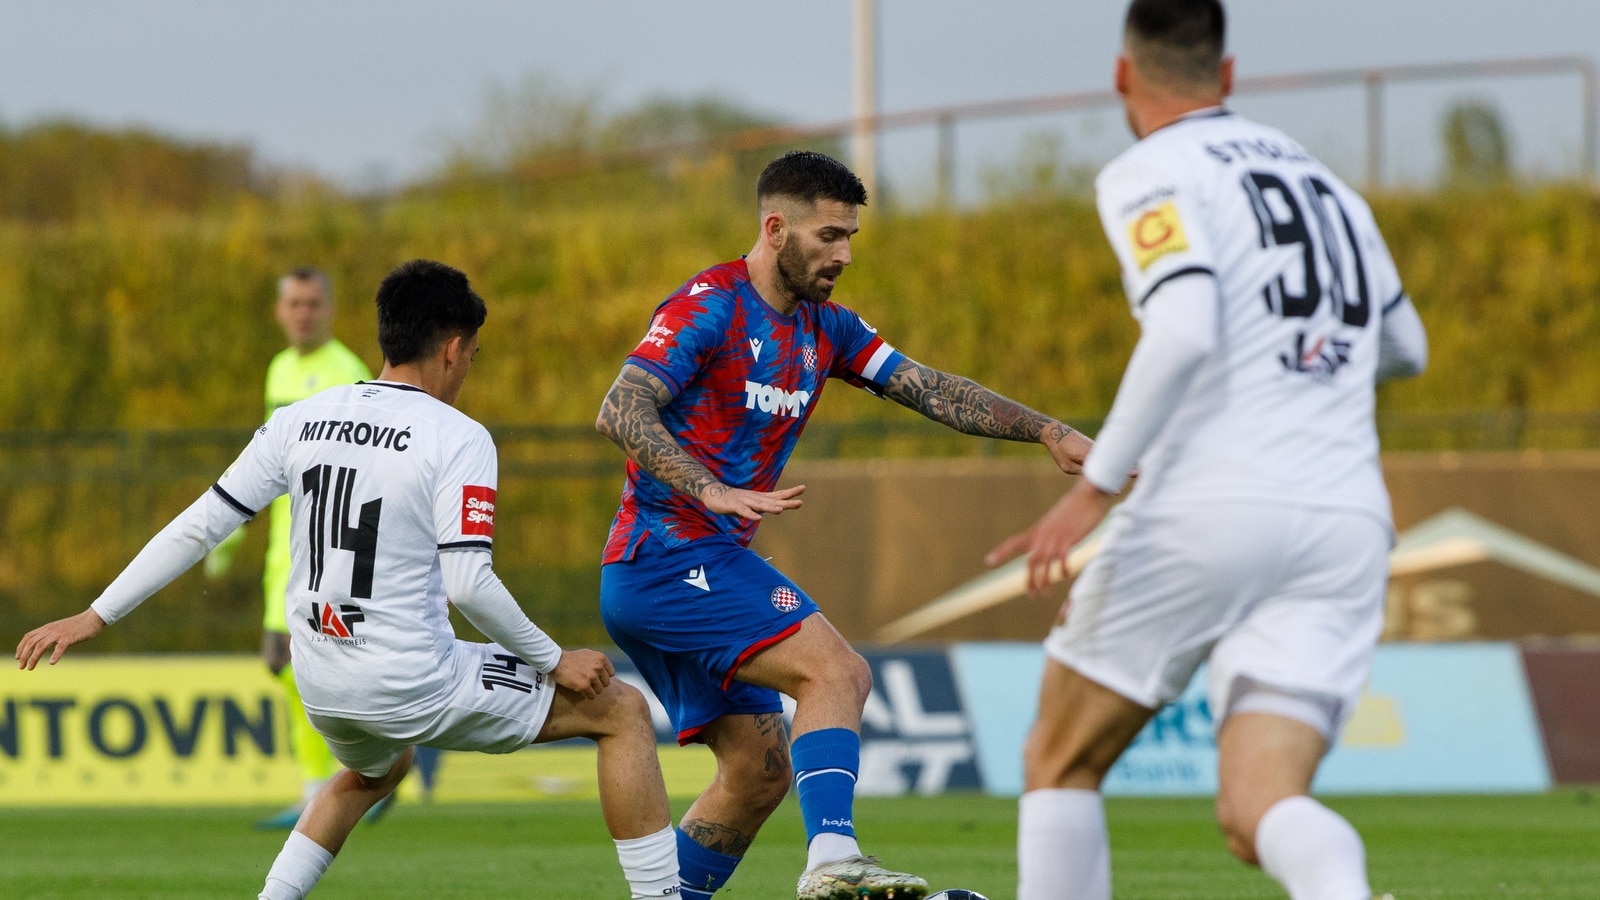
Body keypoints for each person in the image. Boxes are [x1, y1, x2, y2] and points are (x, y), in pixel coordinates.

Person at [17, 260, 680, 900]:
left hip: (323, 681)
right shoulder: (458, 436)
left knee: (376, 767)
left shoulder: (302, 416)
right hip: (411, 679)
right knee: (619, 711)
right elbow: (470, 582)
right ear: (453, 350)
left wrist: (94, 615)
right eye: (473, 355)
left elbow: (201, 525)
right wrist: (555, 659)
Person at [986, 2, 1428, 899]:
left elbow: (1184, 329)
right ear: (1227, 76)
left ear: (1122, 76)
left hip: (1213, 503)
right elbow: (1405, 346)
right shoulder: (1331, 186)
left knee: (1060, 758)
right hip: (1345, 518)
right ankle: (1339, 883)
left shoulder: (1153, 169)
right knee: (1257, 807)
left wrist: (1094, 488)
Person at [595, 150, 1094, 900]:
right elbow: (620, 408)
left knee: (760, 772)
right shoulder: (710, 304)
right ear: (775, 228)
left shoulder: (826, 328)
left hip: (691, 564)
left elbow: (927, 387)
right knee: (839, 672)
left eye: (850, 236)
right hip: (664, 556)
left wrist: (1049, 430)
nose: (845, 254)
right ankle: (833, 859)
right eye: (829, 235)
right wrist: (713, 489)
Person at [208, 267, 375, 830]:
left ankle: (344, 779)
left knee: (297, 658)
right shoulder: (279, 369)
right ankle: (358, 773)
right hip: (284, 543)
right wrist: (231, 534)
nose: (303, 313)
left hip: (322, 545)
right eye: (294, 304)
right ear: (281, 312)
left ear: (330, 309)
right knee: (286, 662)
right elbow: (265, 463)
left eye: (313, 303)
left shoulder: (347, 372)